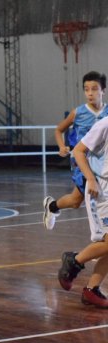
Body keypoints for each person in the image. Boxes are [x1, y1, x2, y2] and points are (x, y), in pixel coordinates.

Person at [43, 71, 108, 230]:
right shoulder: (78, 112)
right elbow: (59, 130)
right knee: (88, 198)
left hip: (102, 161)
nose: (90, 93)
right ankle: (100, 237)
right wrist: (61, 146)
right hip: (82, 161)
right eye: (86, 89)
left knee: (75, 201)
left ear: (103, 91)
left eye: (94, 89)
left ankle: (52, 206)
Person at [59, 115, 108, 307]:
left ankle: (91, 289)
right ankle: (74, 261)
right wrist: (91, 179)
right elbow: (78, 151)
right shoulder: (104, 124)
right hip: (101, 191)